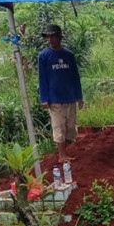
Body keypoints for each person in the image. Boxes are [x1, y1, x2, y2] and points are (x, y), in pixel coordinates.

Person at [37, 24, 84, 163]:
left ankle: (64, 152)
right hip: (55, 99)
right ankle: (61, 155)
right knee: (58, 127)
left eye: (53, 36)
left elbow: (75, 76)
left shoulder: (69, 55)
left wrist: (79, 96)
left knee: (70, 128)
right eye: (48, 37)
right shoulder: (43, 56)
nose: (50, 39)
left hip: (70, 97)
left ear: (60, 37)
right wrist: (44, 98)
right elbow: (42, 78)